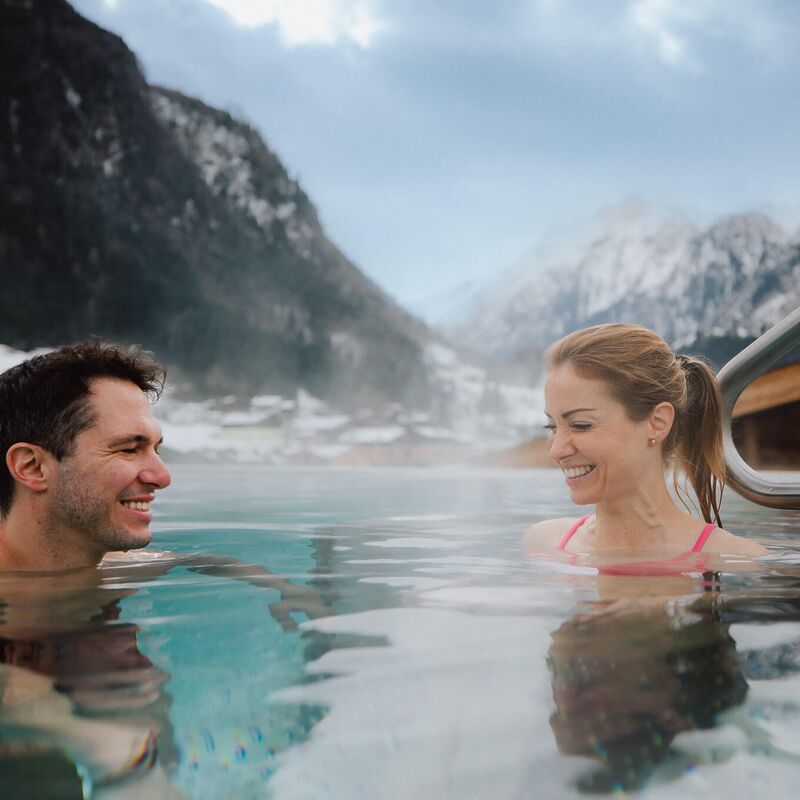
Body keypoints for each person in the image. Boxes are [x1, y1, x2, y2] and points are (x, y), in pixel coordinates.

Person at [525, 323, 767, 558]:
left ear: (657, 423)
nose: (556, 451)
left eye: (581, 425)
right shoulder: (544, 545)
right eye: (552, 426)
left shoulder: (735, 560)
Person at [0, 341, 172, 571]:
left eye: (155, 449)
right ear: (32, 467)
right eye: (129, 449)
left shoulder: (127, 567)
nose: (162, 477)